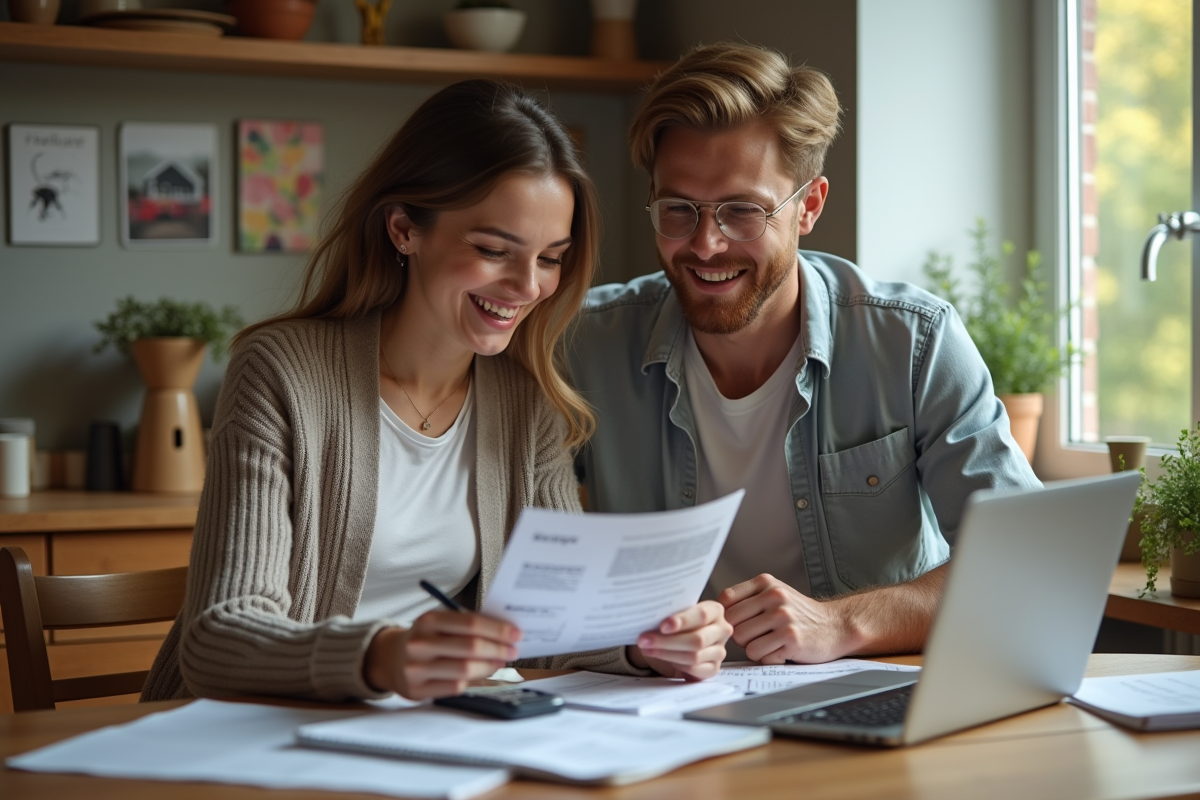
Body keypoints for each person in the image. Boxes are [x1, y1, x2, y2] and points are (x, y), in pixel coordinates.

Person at [142, 79, 731, 705]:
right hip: (239, 730)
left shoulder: (525, 403)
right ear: (404, 229)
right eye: (493, 249)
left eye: (550, 258)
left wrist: (647, 645)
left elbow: (552, 628)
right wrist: (382, 656)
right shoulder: (282, 371)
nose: (527, 286)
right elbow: (218, 638)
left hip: (417, 731)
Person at [570, 43, 1041, 666]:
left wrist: (842, 623)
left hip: (863, 692)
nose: (705, 244)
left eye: (742, 211)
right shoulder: (583, 347)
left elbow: (1024, 568)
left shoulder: (913, 343)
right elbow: (526, 580)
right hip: (660, 704)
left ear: (809, 206)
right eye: (678, 209)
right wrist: (635, 650)